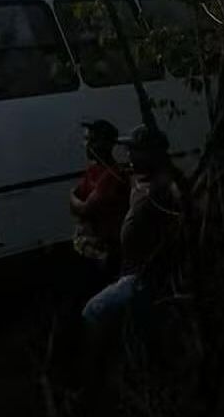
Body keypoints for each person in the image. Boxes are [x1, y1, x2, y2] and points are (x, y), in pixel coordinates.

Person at [80, 124, 186, 407]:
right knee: (140, 331)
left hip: (146, 275)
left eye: (134, 150)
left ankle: (96, 385)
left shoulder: (167, 187)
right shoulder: (139, 179)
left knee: (94, 311)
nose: (128, 155)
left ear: (152, 153)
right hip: (130, 268)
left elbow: (182, 229)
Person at [70, 120, 129, 297]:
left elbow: (84, 207)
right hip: (91, 249)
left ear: (106, 144)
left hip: (109, 252)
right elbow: (76, 203)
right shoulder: (93, 171)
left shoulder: (112, 175)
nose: (87, 145)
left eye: (92, 140)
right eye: (87, 140)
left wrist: (74, 199)